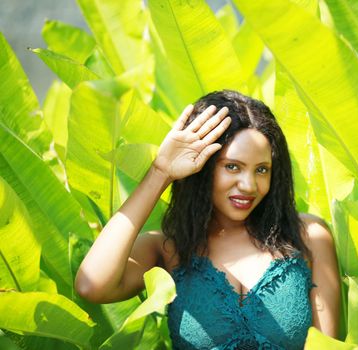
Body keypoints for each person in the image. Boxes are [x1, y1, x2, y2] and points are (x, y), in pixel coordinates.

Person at [75, 90, 340, 349]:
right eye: (232, 166)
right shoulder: (169, 248)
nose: (248, 185)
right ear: (202, 167)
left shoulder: (308, 235)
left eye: (261, 170)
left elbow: (329, 347)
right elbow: (92, 285)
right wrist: (161, 172)